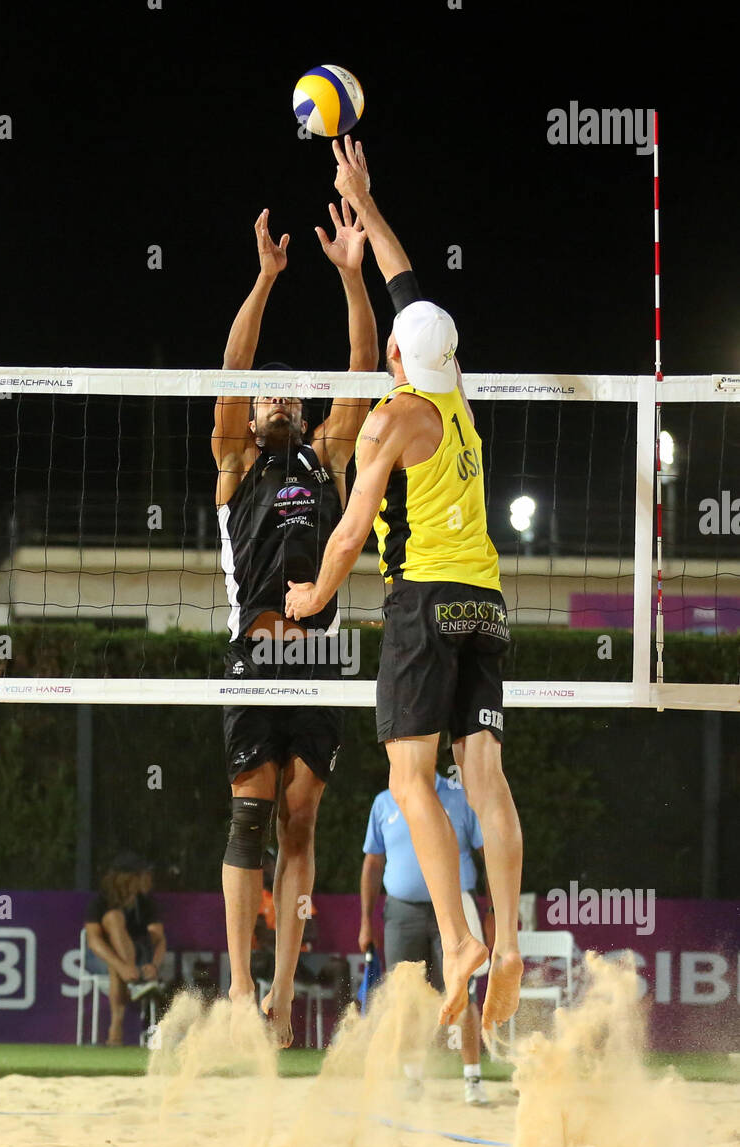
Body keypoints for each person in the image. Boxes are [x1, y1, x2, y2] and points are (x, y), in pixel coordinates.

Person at [286, 136, 523, 1038]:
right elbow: (411, 289)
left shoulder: (392, 420)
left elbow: (349, 533)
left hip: (423, 604)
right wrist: (366, 204)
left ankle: (459, 940)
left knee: (406, 774)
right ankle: (505, 939)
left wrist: (312, 597)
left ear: (391, 352)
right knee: (485, 778)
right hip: (487, 605)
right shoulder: (452, 390)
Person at [212, 192, 378, 1046]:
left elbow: (362, 363)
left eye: (288, 398)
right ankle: (241, 992)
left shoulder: (325, 458)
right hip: (251, 653)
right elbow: (232, 374)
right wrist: (266, 277)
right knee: (250, 812)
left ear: (307, 416)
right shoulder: (237, 461)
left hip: (321, 659)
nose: (273, 402)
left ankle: (280, 1002)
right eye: (265, 399)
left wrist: (352, 276)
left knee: (301, 818)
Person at [360, 764, 492, 1104]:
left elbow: (485, 851)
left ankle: (472, 1079)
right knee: (407, 998)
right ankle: (413, 1079)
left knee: (463, 991)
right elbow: (373, 863)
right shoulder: (385, 802)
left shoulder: (458, 795)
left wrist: (492, 910)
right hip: (403, 910)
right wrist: (365, 920)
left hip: (454, 906)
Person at [84, 852, 167, 1046]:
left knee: (121, 966)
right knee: (114, 918)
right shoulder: (101, 902)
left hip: (138, 961)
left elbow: (159, 939)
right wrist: (123, 967)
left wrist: (154, 965)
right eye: (143, 874)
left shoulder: (146, 904)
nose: (148, 879)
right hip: (102, 960)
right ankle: (117, 1023)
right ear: (127, 878)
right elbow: (94, 942)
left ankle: (115, 1033)